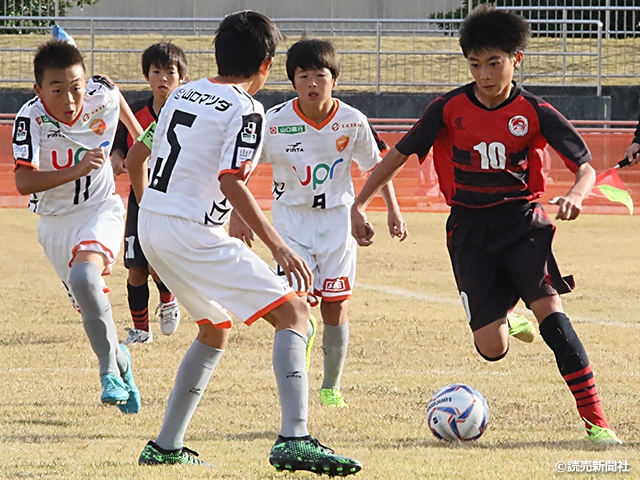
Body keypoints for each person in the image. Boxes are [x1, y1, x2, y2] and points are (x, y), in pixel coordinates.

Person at [350, 4, 621, 444]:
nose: (485, 74)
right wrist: (360, 203)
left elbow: (585, 165)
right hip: (468, 230)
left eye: (494, 63)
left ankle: (597, 422)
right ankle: (508, 312)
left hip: (523, 223)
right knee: (490, 349)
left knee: (552, 316)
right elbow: (397, 155)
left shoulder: (534, 110)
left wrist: (575, 194)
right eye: (475, 64)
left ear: (517, 59)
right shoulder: (448, 107)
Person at [130, 11, 362, 474]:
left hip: (154, 226)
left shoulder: (181, 94)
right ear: (267, 65)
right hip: (190, 232)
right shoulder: (245, 108)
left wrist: (155, 208)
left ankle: (166, 445)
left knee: (214, 328)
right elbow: (232, 180)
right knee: (295, 312)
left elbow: (136, 156)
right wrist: (278, 245)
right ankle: (295, 438)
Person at [230, 38, 407, 408]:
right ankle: (300, 363)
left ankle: (331, 386)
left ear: (335, 79)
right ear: (292, 81)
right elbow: (241, 171)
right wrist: (236, 216)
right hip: (292, 222)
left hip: (337, 223)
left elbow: (376, 168)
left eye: (320, 75)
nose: (313, 83)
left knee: (336, 307)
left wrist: (390, 209)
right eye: (303, 75)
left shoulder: (352, 121)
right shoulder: (273, 122)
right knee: (295, 303)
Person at [13, 39, 144, 413]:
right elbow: (24, 183)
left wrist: (134, 140)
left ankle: (107, 373)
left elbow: (114, 96)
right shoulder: (30, 119)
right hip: (54, 224)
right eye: (58, 91)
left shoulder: (100, 95)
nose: (71, 100)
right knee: (91, 303)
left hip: (100, 208)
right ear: (39, 91)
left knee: (87, 279)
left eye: (77, 87)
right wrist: (77, 168)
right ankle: (121, 362)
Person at [111, 42, 187, 345]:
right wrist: (117, 156)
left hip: (173, 198)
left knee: (158, 262)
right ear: (147, 76)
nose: (163, 78)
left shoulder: (188, 113)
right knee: (135, 267)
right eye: (157, 71)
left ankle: (168, 300)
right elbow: (119, 146)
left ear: (182, 78)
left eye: (170, 72)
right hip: (140, 198)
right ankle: (141, 331)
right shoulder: (136, 112)